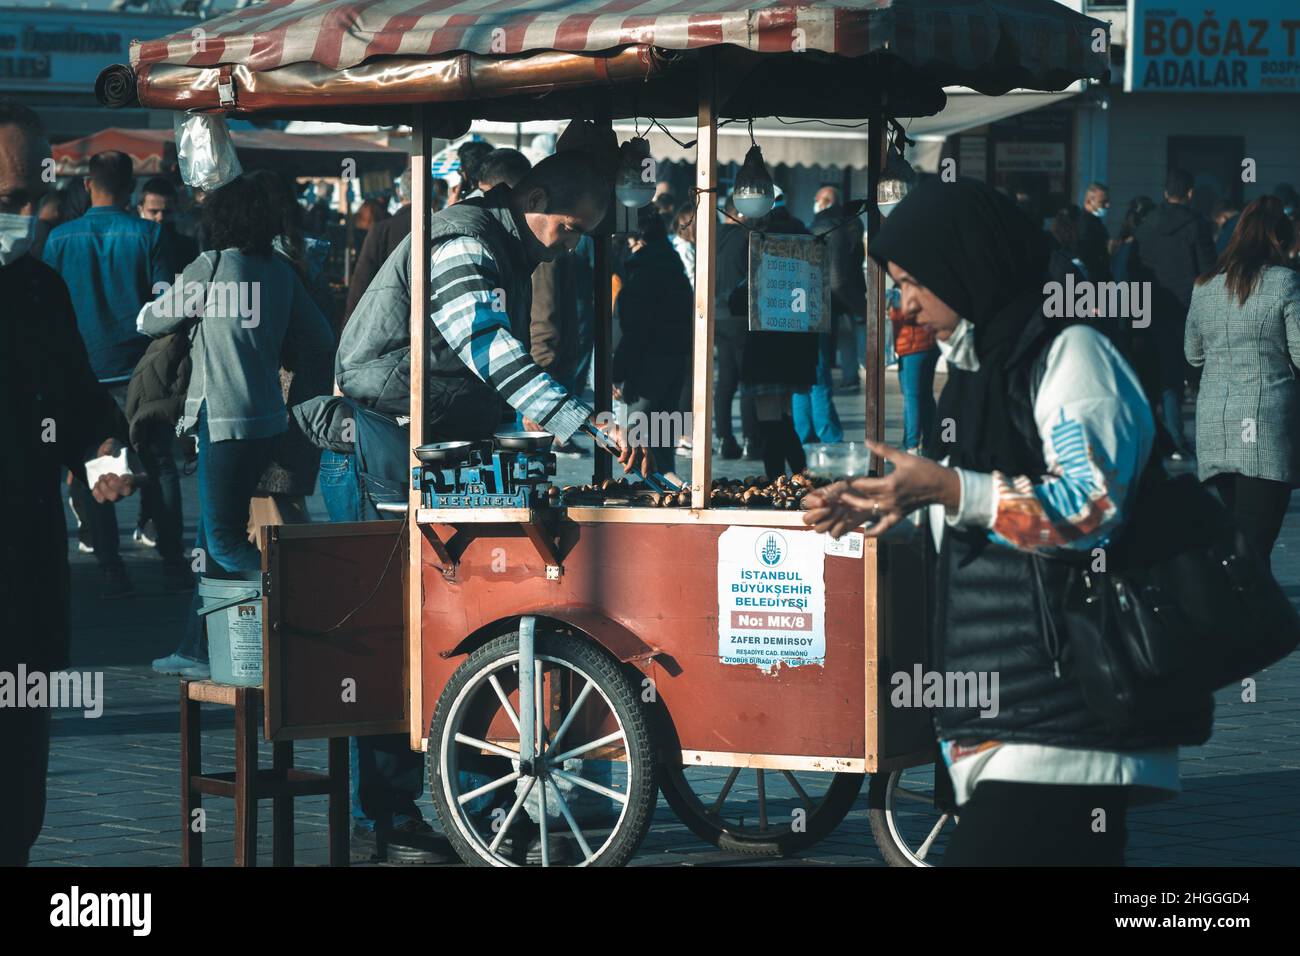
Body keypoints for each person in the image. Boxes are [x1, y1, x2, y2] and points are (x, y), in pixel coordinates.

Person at [802, 177, 1213, 866]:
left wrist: (953, 488)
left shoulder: (1071, 356)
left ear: (964, 265)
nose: (903, 303)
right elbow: (975, 509)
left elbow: (1088, 508)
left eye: (911, 282)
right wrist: (900, 503)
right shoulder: (978, 365)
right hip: (1006, 718)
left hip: (1064, 723)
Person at [295, 150, 647, 862]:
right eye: (570, 227)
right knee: (390, 639)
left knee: (473, 618)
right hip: (373, 449)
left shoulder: (508, 248)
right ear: (536, 196)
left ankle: (484, 793)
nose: (571, 243)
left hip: (428, 448)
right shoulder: (464, 239)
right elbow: (485, 345)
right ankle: (389, 816)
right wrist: (577, 418)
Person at [0, 98, 139, 865]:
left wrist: (103, 452)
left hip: (23, 594)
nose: (26, 218)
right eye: (8, 203)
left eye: (32, 200)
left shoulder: (37, 291)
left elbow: (80, 403)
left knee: (16, 803)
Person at [141, 174, 333, 681]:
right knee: (210, 535)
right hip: (269, 419)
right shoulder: (281, 274)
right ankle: (196, 645)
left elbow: (151, 320)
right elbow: (320, 337)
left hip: (222, 421)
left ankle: (301, 599)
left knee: (225, 540)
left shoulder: (212, 266)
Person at [42, 149, 170, 598]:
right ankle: (172, 557)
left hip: (80, 370)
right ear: (131, 187)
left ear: (88, 185)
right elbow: (164, 306)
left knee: (91, 467)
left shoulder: (58, 239)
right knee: (157, 462)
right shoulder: (148, 235)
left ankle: (111, 565)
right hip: (137, 370)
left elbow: (47, 308)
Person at [1186, 196, 1300, 569]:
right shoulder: (1284, 283)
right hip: (1264, 429)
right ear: (1279, 241)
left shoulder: (1204, 286)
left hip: (1216, 428)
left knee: (1240, 544)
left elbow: (1193, 355)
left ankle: (1243, 621)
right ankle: (1257, 624)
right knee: (1255, 549)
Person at [728, 195, 818, 478]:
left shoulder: (765, 262)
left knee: (769, 422)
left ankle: (779, 482)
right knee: (782, 417)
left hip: (765, 351)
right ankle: (799, 478)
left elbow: (737, 301)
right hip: (798, 351)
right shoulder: (807, 261)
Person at [1133, 168, 1217, 461]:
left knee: (1158, 375)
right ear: (1190, 193)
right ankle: (1187, 436)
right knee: (1185, 373)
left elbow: (1137, 268)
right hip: (1186, 308)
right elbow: (1208, 270)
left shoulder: (1146, 225)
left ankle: (1161, 435)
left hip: (1149, 306)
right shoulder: (1197, 225)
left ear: (1165, 192)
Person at [613, 208, 693, 474]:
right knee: (661, 443)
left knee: (632, 441)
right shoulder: (672, 265)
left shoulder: (644, 272)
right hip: (675, 359)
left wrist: (617, 372)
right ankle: (667, 492)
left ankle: (649, 495)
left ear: (638, 239)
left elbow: (636, 330)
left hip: (648, 366)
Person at [714, 194, 760, 460]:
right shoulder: (745, 237)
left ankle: (724, 438)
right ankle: (751, 440)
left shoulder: (714, 236)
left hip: (718, 316)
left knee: (725, 381)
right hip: (741, 315)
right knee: (746, 381)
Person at [810, 186, 867, 394]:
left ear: (826, 201)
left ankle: (828, 381)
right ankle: (850, 376)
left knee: (826, 344)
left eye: (817, 199)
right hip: (851, 289)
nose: (814, 203)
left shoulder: (824, 225)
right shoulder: (852, 224)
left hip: (832, 291)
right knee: (849, 337)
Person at [344, 169, 414, 328]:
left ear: (399, 192)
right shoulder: (440, 225)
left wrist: (348, 327)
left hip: (387, 316)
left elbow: (361, 281)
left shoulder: (382, 228)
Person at [889, 282, 939, 455]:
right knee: (924, 394)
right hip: (928, 343)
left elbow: (904, 314)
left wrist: (890, 307)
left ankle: (912, 445)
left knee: (912, 396)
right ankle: (931, 442)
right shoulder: (924, 282)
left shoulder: (907, 286)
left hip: (912, 345)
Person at [137, 176, 199, 276]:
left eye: (167, 212)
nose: (160, 217)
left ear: (175, 210)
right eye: (154, 211)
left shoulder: (188, 247)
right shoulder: (132, 246)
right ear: (140, 210)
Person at [1078, 181, 1111, 282]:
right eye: (1102, 202)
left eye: (1108, 201)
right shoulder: (1085, 224)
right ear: (1088, 201)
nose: (1107, 205)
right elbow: (1086, 255)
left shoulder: (1094, 221)